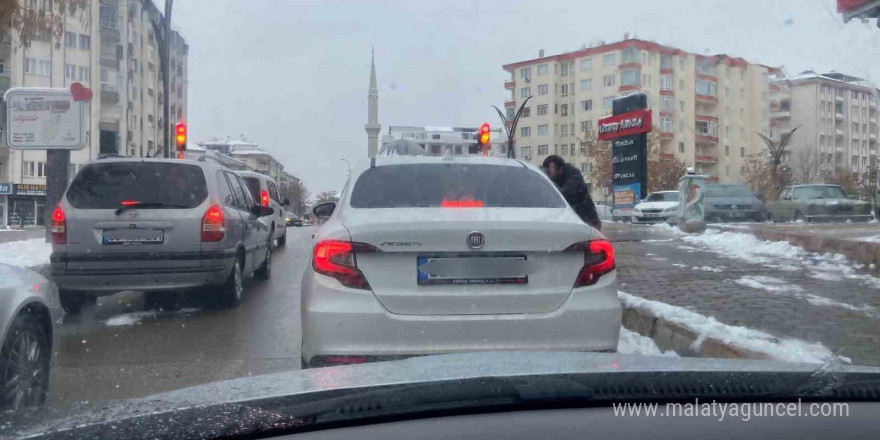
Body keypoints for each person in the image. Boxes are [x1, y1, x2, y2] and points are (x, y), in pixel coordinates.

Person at [542, 155, 601, 230]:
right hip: (571, 220)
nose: (547, 175)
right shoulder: (555, 177)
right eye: (545, 171)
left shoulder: (574, 176)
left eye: (549, 172)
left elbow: (563, 193)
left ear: (560, 170)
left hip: (588, 220)